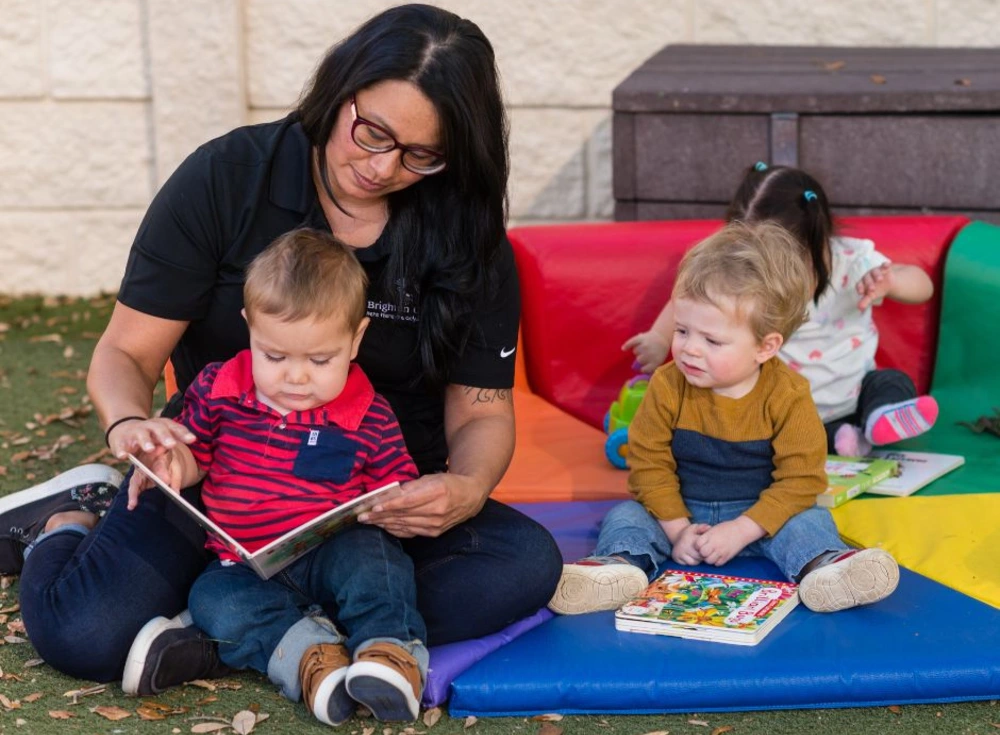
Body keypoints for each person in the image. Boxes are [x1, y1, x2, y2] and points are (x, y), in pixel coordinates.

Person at [7, 3, 562, 700]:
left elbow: (481, 411)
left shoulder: (466, 235)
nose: (382, 166)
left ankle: (226, 629)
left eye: (420, 154)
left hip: (368, 508)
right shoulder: (227, 178)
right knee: (83, 632)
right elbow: (125, 352)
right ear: (342, 88)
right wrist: (131, 427)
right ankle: (67, 520)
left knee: (522, 564)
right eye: (372, 133)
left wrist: (467, 488)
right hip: (216, 478)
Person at [120, 230, 426, 724]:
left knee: (375, 561)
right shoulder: (220, 389)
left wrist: (395, 508)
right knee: (212, 599)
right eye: (275, 356)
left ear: (356, 340)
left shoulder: (370, 415)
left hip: (330, 553)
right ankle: (311, 661)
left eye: (320, 360)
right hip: (244, 563)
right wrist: (174, 464)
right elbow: (196, 456)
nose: (295, 378)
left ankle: (389, 656)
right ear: (249, 329)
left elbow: (397, 490)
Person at [548, 222, 900, 616]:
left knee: (810, 520)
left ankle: (825, 568)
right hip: (679, 511)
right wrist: (677, 528)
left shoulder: (788, 394)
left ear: (765, 347)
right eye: (682, 330)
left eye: (711, 341)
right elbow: (648, 463)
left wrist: (745, 528)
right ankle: (618, 567)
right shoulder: (667, 385)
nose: (689, 350)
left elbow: (801, 480)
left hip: (764, 515)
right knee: (625, 516)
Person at [623, 163, 939, 458]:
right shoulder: (746, 269)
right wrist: (659, 337)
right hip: (781, 403)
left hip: (855, 392)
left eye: (766, 247)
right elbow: (693, 299)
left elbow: (923, 285)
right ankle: (841, 438)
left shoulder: (852, 261)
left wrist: (892, 281)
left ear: (808, 239)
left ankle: (877, 421)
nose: (754, 256)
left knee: (892, 382)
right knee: (755, 416)